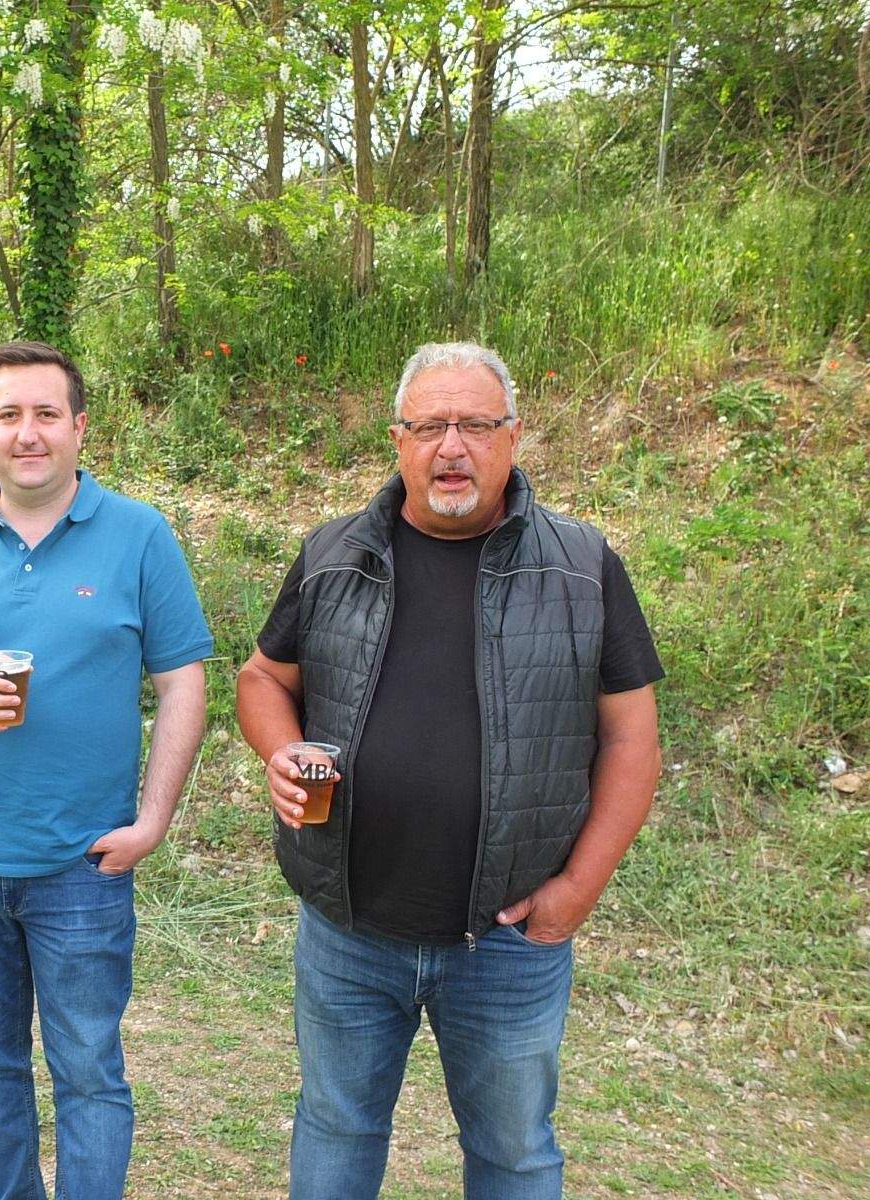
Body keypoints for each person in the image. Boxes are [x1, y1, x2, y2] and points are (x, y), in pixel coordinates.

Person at [236, 341, 663, 1200]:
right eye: (431, 425)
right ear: (399, 439)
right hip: (347, 929)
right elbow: (261, 679)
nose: (452, 446)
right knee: (336, 1129)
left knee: (513, 1154)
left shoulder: (581, 566)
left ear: (514, 436)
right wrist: (280, 750)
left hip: (508, 940)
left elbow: (632, 740)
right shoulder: (332, 555)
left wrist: (579, 887)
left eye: (475, 423)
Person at [0, 341, 212, 1200]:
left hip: (82, 869)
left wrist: (153, 819)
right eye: (10, 415)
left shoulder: (139, 536)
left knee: (89, 1072)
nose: (29, 433)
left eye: (46, 414)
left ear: (79, 427)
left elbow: (183, 683)